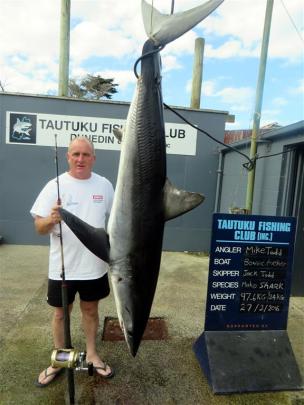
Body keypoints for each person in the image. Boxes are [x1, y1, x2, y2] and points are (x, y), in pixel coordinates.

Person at [30, 137, 115, 387]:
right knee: (60, 314)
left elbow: (116, 221)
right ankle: (60, 358)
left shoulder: (105, 185)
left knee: (90, 311)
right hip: (62, 268)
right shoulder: (54, 185)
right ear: (68, 157)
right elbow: (39, 227)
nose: (80, 159)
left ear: (93, 158)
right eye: (75, 154)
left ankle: (92, 354)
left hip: (95, 266)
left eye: (85, 155)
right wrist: (51, 220)